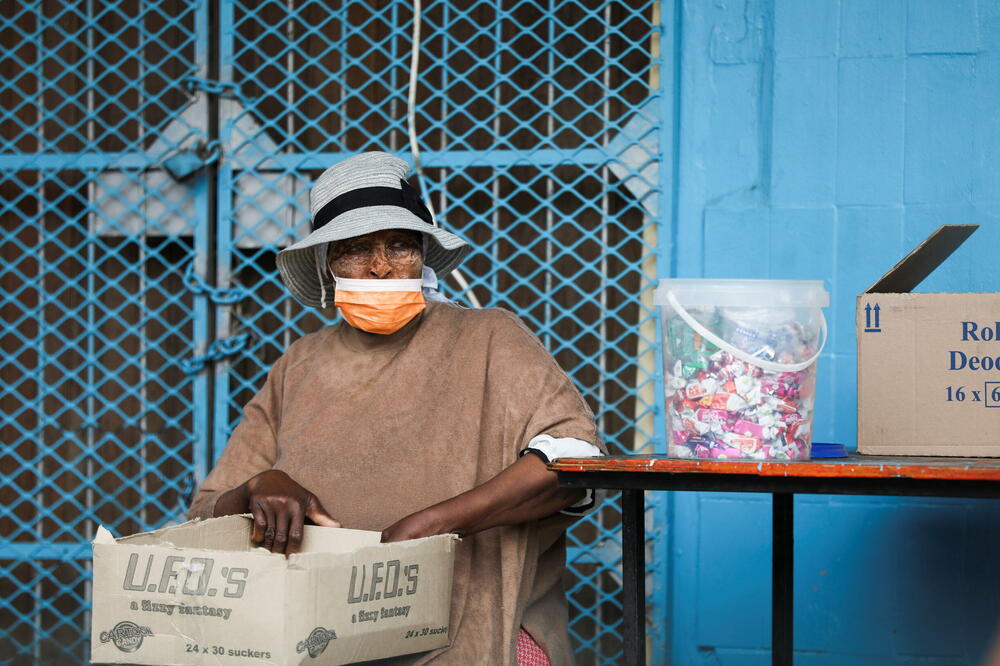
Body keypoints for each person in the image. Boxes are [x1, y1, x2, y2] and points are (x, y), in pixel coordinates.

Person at [188, 151, 605, 665]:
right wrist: (257, 487)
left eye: (400, 246)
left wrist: (433, 524)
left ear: (423, 257)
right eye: (356, 249)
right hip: (318, 639)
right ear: (327, 267)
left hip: (471, 625)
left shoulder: (488, 338)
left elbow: (571, 461)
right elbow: (206, 514)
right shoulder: (299, 366)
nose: (381, 267)